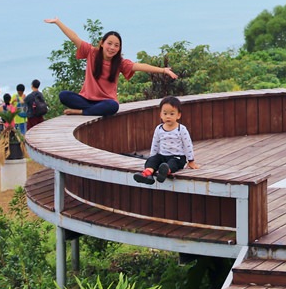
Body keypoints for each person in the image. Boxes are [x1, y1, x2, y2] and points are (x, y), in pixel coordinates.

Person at [45, 17, 178, 116]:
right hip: (86, 100)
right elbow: (74, 37)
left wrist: (163, 70)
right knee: (64, 95)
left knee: (113, 106)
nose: (112, 48)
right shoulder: (92, 53)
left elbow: (140, 66)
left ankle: (81, 112)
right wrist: (58, 22)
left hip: (105, 102)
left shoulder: (119, 62)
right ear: (102, 43)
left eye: (116, 45)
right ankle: (88, 110)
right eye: (109, 43)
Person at [133, 96, 199, 185]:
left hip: (177, 157)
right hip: (162, 156)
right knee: (152, 161)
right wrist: (153, 157)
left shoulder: (181, 129)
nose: (168, 116)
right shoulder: (159, 128)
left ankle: (165, 172)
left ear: (178, 115)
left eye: (172, 114)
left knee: (173, 163)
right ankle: (147, 174)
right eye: (165, 113)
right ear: (160, 114)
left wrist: (191, 161)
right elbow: (155, 144)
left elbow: (188, 145)